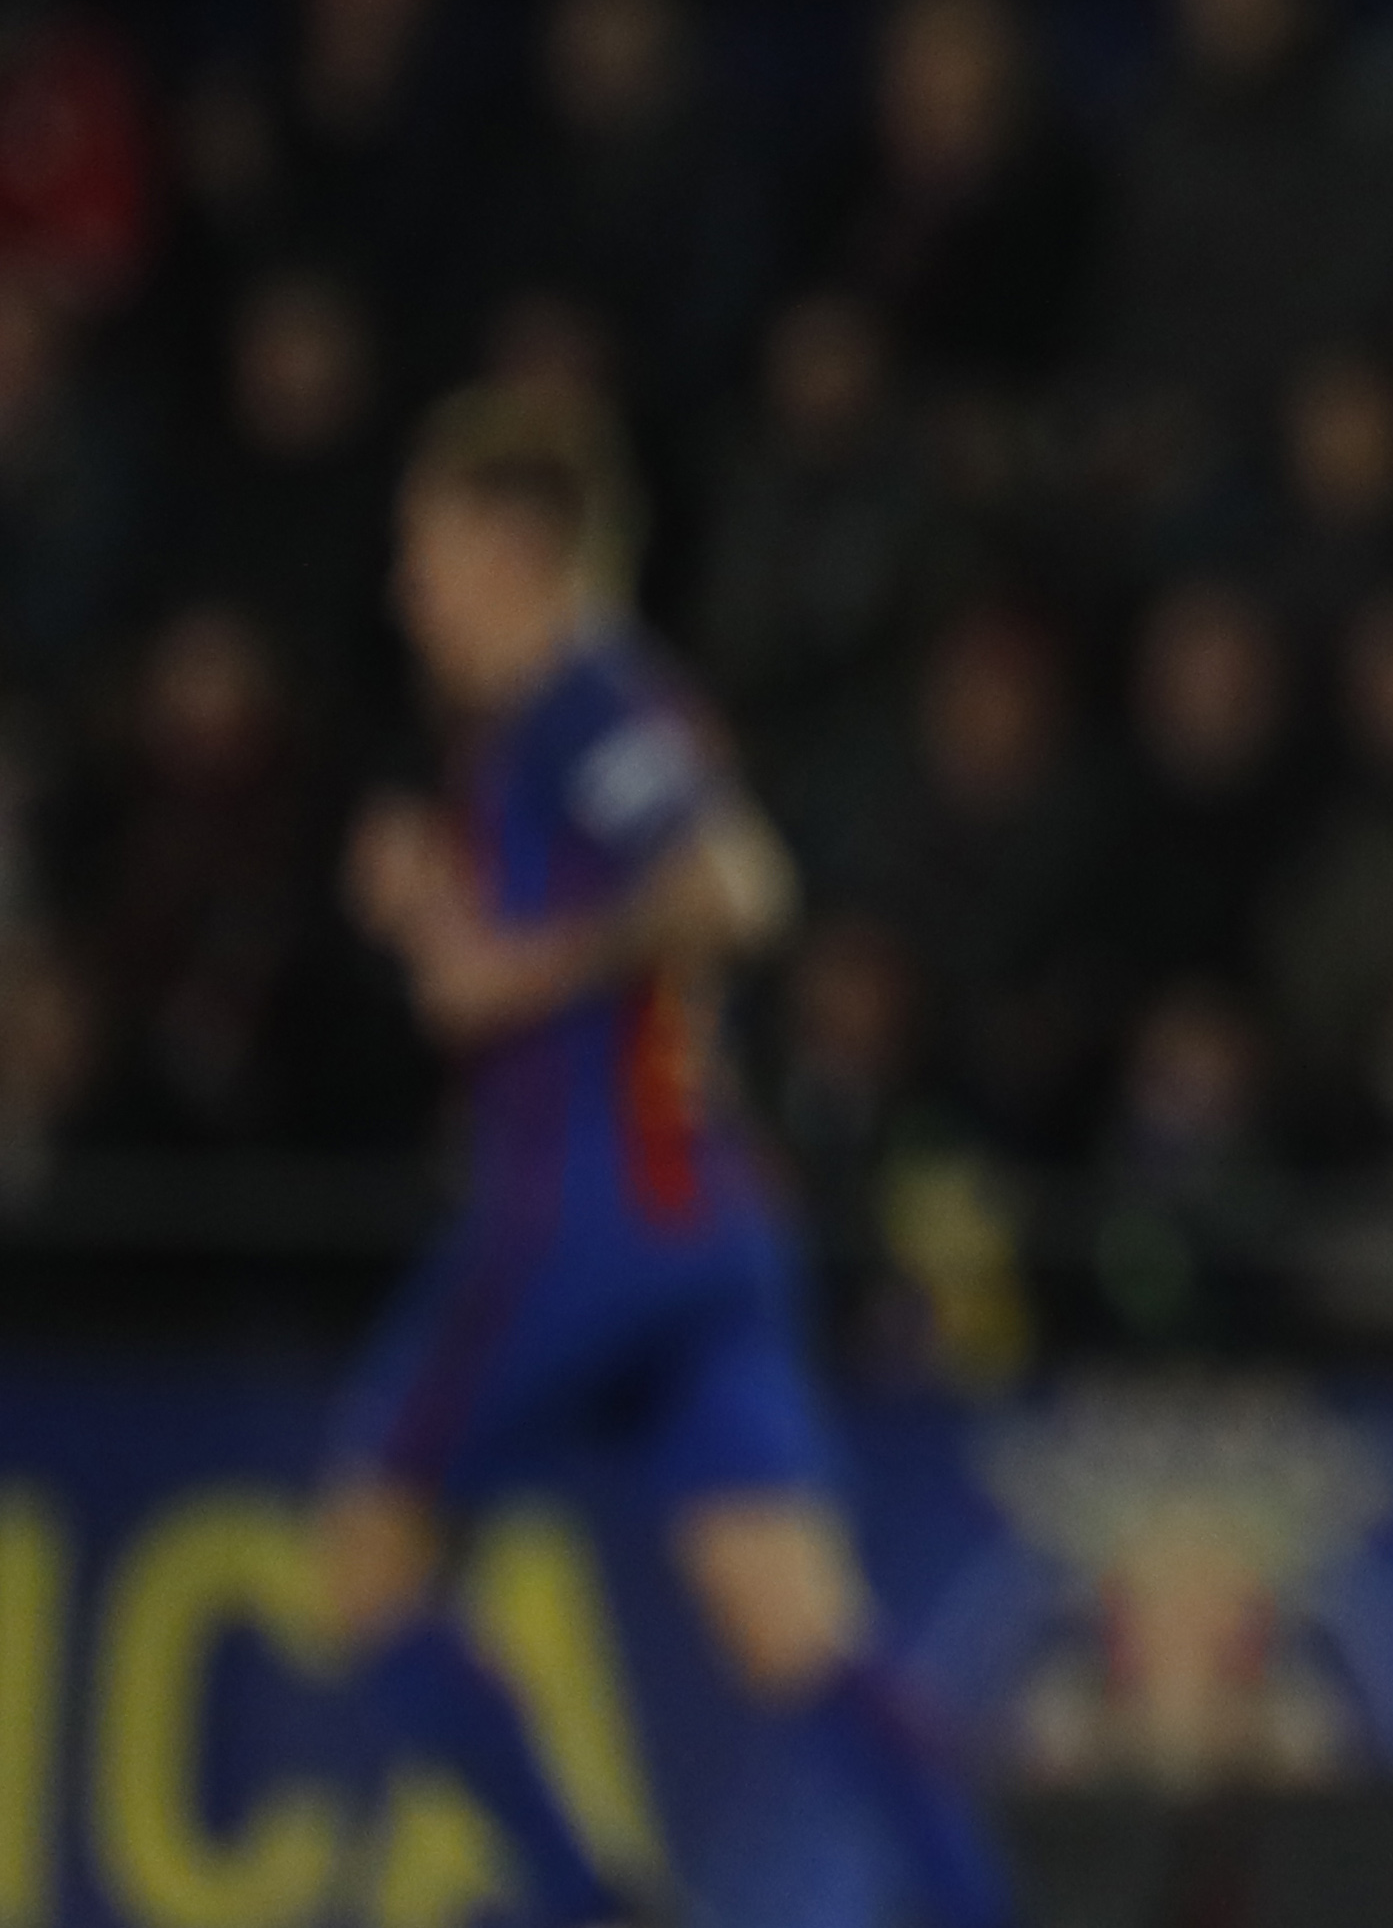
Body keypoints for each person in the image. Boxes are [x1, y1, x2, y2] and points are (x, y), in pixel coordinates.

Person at [314, 385, 1011, 1928]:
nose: (406, 593)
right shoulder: (524, 739)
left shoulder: (584, 698)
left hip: (584, 1215)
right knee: (793, 1625)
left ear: (513, 547)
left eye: (425, 552)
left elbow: (731, 883)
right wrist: (439, 920)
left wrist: (517, 965)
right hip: (706, 1227)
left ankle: (585, 1907)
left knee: (364, 1552)